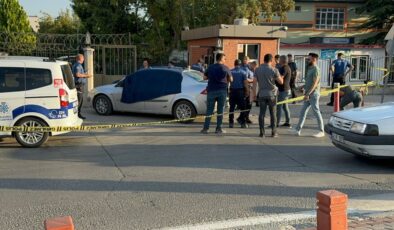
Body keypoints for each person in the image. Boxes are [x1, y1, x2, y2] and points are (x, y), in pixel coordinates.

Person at [291, 53, 325, 138]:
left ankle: (321, 131)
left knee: (316, 111)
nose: (307, 60)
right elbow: (308, 83)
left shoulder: (316, 69)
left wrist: (308, 94)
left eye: (309, 59)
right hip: (308, 94)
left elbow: (315, 83)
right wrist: (301, 87)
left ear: (314, 59)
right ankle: (297, 129)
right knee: (303, 112)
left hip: (313, 94)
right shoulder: (310, 68)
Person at [201, 53, 233, 134]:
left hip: (211, 90)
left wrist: (211, 77)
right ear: (221, 59)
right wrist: (227, 80)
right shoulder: (225, 68)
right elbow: (231, 79)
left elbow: (204, 77)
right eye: (225, 59)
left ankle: (206, 128)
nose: (225, 60)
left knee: (209, 110)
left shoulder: (210, 67)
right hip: (222, 91)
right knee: (220, 110)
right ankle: (218, 128)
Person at [253, 54, 283, 138]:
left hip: (262, 94)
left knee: (261, 114)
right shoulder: (274, 70)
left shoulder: (257, 70)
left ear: (264, 60)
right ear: (271, 60)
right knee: (273, 114)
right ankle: (274, 132)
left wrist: (254, 94)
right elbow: (281, 82)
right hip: (272, 95)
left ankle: (262, 133)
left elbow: (254, 82)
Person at [229, 60, 249, 128]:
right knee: (243, 107)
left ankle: (231, 123)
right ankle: (242, 122)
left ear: (234, 64)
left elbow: (228, 81)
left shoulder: (230, 71)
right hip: (240, 91)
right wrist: (247, 91)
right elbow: (245, 83)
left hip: (232, 91)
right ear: (240, 65)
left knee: (232, 107)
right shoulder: (243, 72)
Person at [72, 54, 91, 120]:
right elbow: (77, 74)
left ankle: (77, 114)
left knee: (79, 100)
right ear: (80, 58)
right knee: (80, 101)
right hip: (79, 85)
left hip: (78, 85)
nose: (83, 60)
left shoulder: (76, 65)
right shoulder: (78, 65)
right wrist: (86, 76)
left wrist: (84, 72)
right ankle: (77, 115)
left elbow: (78, 73)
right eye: (83, 58)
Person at [276, 55, 292, 127]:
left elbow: (280, 78)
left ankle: (276, 123)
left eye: (279, 59)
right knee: (285, 107)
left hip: (283, 90)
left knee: (279, 106)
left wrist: (273, 78)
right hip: (285, 89)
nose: (278, 60)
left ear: (282, 60)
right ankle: (288, 122)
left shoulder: (284, 68)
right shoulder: (286, 67)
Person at [241, 56, 254, 124]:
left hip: (250, 88)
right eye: (244, 59)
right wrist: (252, 80)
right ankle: (244, 118)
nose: (245, 61)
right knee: (246, 104)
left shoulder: (250, 68)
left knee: (249, 104)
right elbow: (245, 79)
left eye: (247, 60)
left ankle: (246, 117)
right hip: (246, 88)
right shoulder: (244, 68)